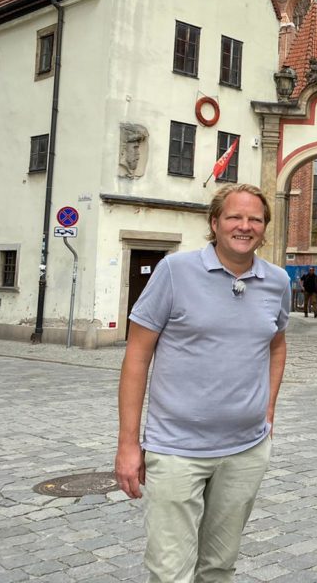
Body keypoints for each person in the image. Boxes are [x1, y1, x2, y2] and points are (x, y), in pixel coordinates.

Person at [115, 183, 290, 582]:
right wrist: (128, 443)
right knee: (170, 570)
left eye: (255, 219)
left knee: (219, 567)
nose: (244, 226)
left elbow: (277, 346)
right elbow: (137, 356)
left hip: (245, 451)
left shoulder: (277, 281)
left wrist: (268, 407)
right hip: (176, 449)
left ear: (264, 228)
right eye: (234, 217)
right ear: (215, 223)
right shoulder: (174, 271)